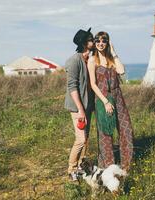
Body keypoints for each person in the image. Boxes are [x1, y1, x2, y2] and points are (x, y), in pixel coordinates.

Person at [87, 31, 133, 173]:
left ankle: (126, 166)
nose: (101, 43)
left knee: (126, 130)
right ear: (95, 43)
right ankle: (109, 167)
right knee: (106, 133)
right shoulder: (92, 60)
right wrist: (106, 102)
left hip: (117, 96)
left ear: (107, 43)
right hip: (103, 99)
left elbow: (121, 70)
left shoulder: (111, 58)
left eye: (104, 41)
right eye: (98, 41)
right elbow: (93, 84)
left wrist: (113, 52)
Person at [64, 28, 95, 181]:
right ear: (84, 43)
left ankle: (81, 166)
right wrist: (81, 110)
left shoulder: (89, 59)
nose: (94, 41)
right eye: (91, 39)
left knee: (86, 138)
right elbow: (72, 87)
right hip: (77, 107)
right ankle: (71, 169)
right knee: (81, 139)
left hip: (87, 106)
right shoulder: (74, 60)